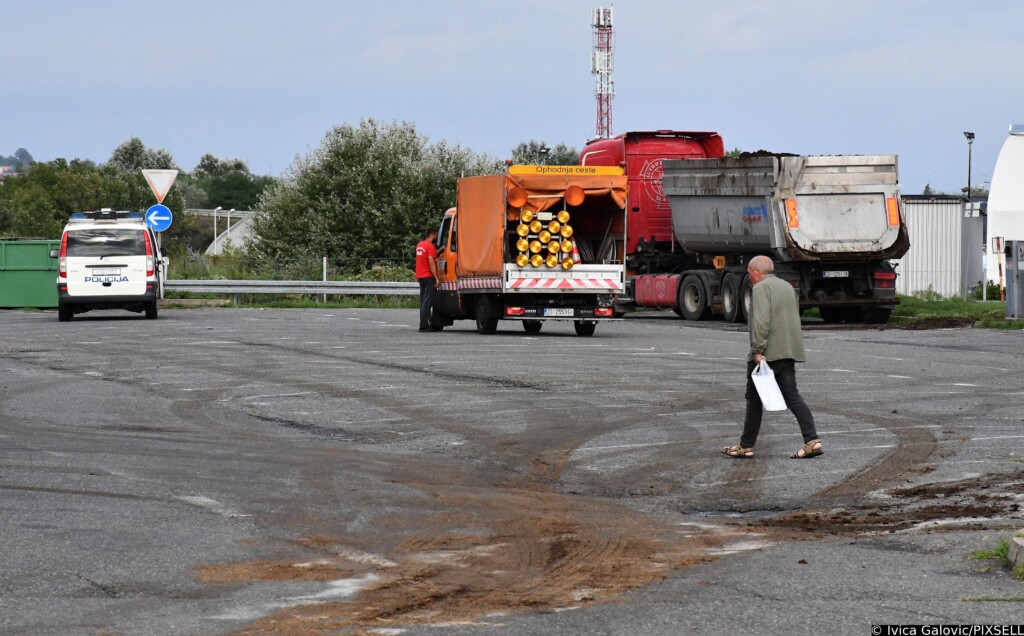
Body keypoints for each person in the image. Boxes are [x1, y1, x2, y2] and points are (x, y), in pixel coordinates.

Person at [722, 255, 823, 459]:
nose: (750, 278)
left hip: (767, 353)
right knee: (792, 396)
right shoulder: (787, 287)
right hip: (788, 350)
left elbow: (760, 322)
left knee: (754, 399)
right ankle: (812, 440)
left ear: (756, 272)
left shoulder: (760, 289)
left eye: (750, 274)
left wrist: (758, 350)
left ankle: (746, 446)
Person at [415, 228, 440, 332]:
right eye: (436, 235)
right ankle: (424, 326)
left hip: (420, 276)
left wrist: (440, 250)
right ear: (433, 235)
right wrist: (437, 278)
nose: (436, 237)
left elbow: (427, 256)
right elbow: (431, 262)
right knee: (428, 301)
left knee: (423, 300)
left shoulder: (420, 245)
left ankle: (423, 323)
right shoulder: (431, 246)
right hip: (429, 276)